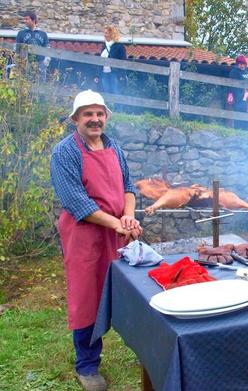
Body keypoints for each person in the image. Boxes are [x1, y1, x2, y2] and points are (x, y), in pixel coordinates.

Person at [51, 90, 142, 391]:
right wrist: (118, 223)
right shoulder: (65, 152)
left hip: (118, 232)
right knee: (87, 297)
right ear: (76, 118)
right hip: (84, 235)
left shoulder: (114, 147)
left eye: (100, 113)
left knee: (129, 292)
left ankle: (145, 349)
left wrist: (128, 217)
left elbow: (128, 187)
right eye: (88, 114)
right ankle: (87, 366)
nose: (95, 119)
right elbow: (76, 202)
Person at [15, 11, 50, 80]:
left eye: (27, 19)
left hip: (40, 63)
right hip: (26, 63)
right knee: (25, 84)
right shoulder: (21, 33)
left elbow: (47, 48)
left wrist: (46, 61)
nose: (25, 21)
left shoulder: (43, 34)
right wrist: (19, 63)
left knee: (40, 85)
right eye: (24, 19)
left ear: (33, 20)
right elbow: (17, 50)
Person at [98, 25, 127, 95]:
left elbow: (123, 61)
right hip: (104, 73)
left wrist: (121, 75)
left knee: (116, 94)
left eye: (106, 33)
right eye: (104, 33)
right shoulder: (104, 46)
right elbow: (100, 61)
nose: (104, 35)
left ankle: (118, 106)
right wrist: (97, 75)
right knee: (106, 94)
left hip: (115, 74)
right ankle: (109, 106)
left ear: (111, 34)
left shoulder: (119, 46)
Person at [227, 55, 248, 129]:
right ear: (237, 64)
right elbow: (232, 84)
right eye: (240, 64)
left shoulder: (246, 72)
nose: (242, 65)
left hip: (247, 97)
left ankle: (244, 131)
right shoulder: (234, 72)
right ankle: (238, 131)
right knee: (238, 114)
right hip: (238, 97)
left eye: (243, 64)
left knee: (245, 114)